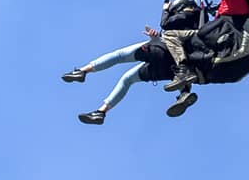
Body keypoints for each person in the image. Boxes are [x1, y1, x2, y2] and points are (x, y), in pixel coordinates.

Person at [62, 22, 199, 124]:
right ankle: (100, 112)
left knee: (119, 56)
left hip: (161, 52)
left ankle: (82, 71)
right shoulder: (197, 34)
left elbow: (169, 41)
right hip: (171, 69)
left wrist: (156, 38)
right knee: (128, 78)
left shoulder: (177, 30)